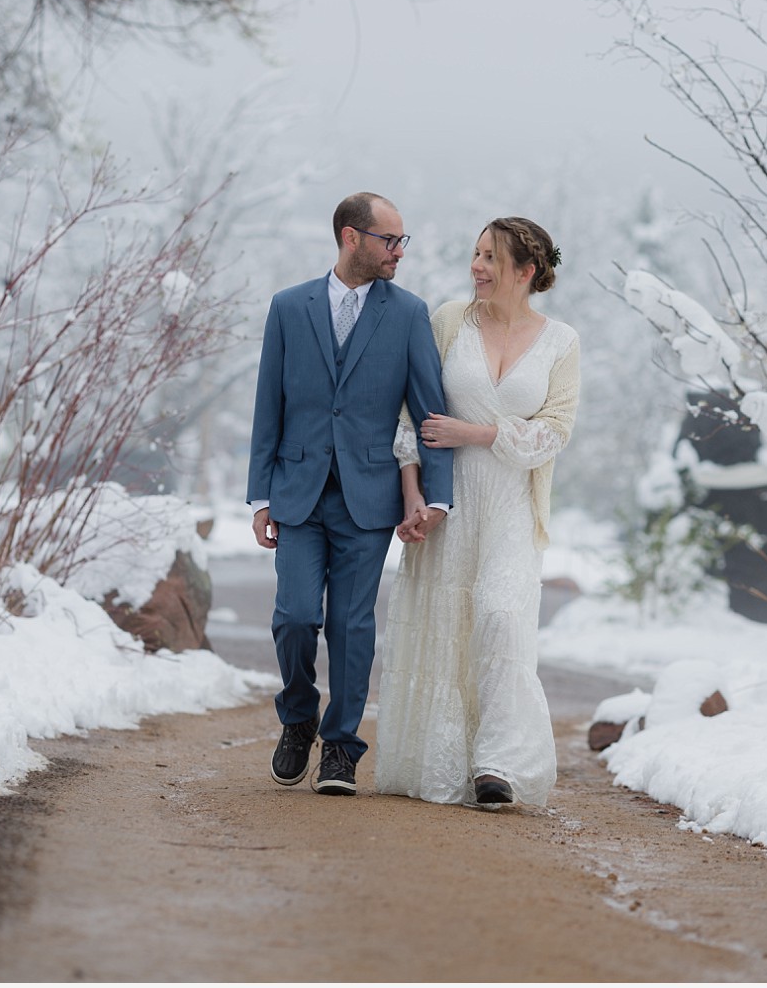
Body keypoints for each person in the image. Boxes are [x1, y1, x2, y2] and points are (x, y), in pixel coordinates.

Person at [247, 192, 454, 797]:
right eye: (389, 240)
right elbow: (269, 406)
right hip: (298, 493)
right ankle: (298, 717)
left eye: (401, 241)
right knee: (295, 617)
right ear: (350, 238)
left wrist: (434, 498)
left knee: (349, 625)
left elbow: (428, 412)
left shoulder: (409, 314)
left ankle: (341, 747)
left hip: (369, 497)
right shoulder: (289, 308)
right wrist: (259, 496)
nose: (399, 252)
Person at [375, 216, 579, 808]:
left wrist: (480, 431)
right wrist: (414, 494)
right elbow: (411, 415)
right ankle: (447, 761)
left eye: (491, 257)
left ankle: (500, 765)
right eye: (475, 254)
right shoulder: (446, 322)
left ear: (527, 270)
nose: (477, 267)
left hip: (513, 505)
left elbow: (556, 431)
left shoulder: (560, 341)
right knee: (450, 625)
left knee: (500, 618)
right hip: (450, 501)